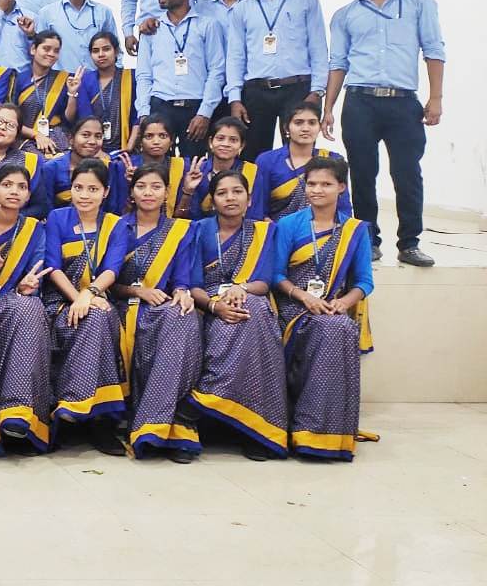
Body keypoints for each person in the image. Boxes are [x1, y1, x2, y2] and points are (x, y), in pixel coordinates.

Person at [325, 0, 444, 268]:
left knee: (407, 173)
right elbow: (338, 63)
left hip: (403, 103)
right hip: (359, 102)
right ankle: (368, 240)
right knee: (362, 173)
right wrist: (328, 108)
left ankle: (409, 243)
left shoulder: (419, 4)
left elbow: (434, 50)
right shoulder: (345, 15)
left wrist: (436, 98)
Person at [272, 156, 373, 460]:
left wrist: (343, 302)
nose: (317, 190)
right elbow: (276, 275)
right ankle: (304, 428)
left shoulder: (355, 230)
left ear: (341, 187)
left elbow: (364, 281)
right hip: (293, 307)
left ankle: (328, 432)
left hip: (332, 308)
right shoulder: (289, 224)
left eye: (326, 184)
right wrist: (304, 297)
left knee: (340, 327)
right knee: (330, 329)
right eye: (312, 183)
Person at [187, 169, 287, 460]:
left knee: (252, 312)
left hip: (247, 297)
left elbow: (263, 281)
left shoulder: (263, 231)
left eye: (237, 191)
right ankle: (219, 408)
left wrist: (239, 289)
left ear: (249, 198)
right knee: (230, 323)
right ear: (212, 200)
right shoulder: (198, 230)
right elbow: (193, 285)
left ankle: (255, 428)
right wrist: (215, 306)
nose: (230, 198)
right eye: (222, 193)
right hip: (207, 305)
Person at [113, 164, 203, 462]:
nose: (148, 192)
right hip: (123, 305)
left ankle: (168, 426)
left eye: (156, 186)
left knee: (183, 317)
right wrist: (138, 292)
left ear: (167, 192)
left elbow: (182, 278)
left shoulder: (179, 230)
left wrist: (182, 291)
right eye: (141, 186)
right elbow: (109, 281)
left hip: (160, 305)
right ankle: (152, 424)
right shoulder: (117, 226)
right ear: (132, 192)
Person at [42, 158, 131, 455]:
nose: (84, 195)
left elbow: (112, 269)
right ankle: (98, 421)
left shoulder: (116, 224)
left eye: (93, 189)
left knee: (98, 318)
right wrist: (77, 298)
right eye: (78, 187)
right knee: (96, 319)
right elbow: (53, 267)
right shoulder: (57, 218)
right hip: (59, 301)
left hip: (99, 298)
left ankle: (76, 407)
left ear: (105, 192)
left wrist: (89, 295)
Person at [0, 165, 52, 457]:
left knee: (30, 307)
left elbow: (36, 276)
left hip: (13, 302)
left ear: (28, 195)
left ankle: (18, 414)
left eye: (21, 187)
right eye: (7, 185)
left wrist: (26, 286)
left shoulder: (34, 230)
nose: (14, 191)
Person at [225, 0, 329, 160]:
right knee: (252, 155)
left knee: (299, 153)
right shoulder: (242, 8)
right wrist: (235, 98)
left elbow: (318, 48)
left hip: (297, 88)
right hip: (256, 91)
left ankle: (298, 185)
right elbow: (236, 56)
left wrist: (317, 91)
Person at [135, 0, 226, 158]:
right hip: (160, 106)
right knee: (157, 166)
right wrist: (144, 113)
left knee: (194, 165)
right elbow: (143, 75)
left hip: (195, 108)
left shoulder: (207, 25)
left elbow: (216, 71)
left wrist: (205, 113)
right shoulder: (151, 29)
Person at [256, 102, 351, 221]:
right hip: (277, 229)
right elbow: (258, 209)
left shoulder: (333, 160)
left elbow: (344, 208)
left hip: (325, 230)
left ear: (319, 127)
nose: (305, 129)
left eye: (312, 123)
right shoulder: (267, 160)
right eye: (298, 123)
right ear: (286, 128)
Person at [31, 0, 116, 73]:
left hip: (96, 80)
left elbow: (115, 50)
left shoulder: (103, 12)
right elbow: (40, 53)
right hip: (59, 80)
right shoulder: (47, 13)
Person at [178, 116, 265, 220]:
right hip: (200, 228)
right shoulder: (197, 171)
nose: (226, 144)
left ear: (241, 146)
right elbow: (183, 218)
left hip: (240, 228)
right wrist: (188, 191)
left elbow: (255, 215)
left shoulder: (251, 172)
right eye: (220, 138)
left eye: (233, 140)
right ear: (210, 142)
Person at [13, 30, 81, 156]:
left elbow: (69, 119)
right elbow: (11, 119)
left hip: (57, 137)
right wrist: (36, 135)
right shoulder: (18, 79)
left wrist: (72, 94)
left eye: (56, 51)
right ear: (33, 49)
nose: (51, 54)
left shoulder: (64, 79)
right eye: (46, 49)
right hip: (25, 138)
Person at [41, 116, 127, 213]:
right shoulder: (51, 168)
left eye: (98, 136)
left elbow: (114, 208)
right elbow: (46, 208)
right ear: (71, 139)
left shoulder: (109, 167)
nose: (92, 141)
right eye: (85, 135)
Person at [76, 31, 138, 153]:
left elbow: (138, 116)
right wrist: (96, 152)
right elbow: (85, 117)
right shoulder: (86, 80)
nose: (101, 54)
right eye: (95, 51)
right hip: (93, 149)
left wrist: (129, 148)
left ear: (116, 51)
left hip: (127, 147)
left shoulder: (131, 77)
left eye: (106, 49)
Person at [122, 113, 191, 216]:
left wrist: (188, 192)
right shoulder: (125, 166)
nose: (156, 142)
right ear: (140, 140)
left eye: (162, 136)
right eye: (149, 136)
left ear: (171, 140)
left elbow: (182, 217)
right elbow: (120, 215)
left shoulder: (182, 167)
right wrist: (130, 186)